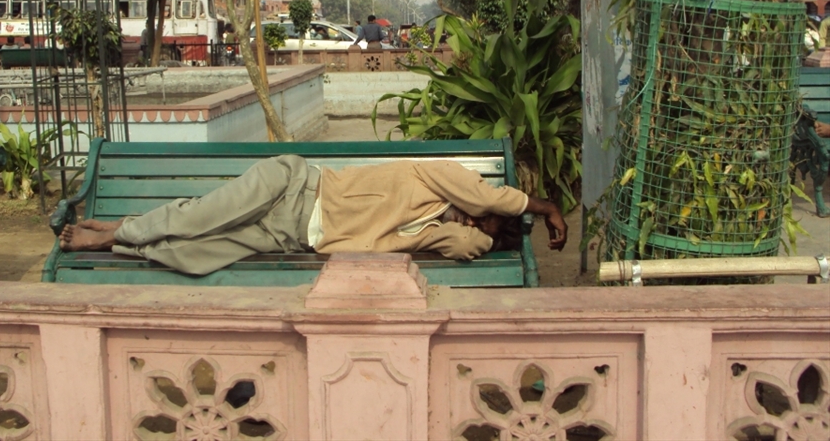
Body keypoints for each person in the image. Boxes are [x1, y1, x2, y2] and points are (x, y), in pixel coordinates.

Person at [59, 155, 567, 276]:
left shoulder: (437, 233)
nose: (475, 222)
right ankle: (109, 234)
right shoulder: (440, 177)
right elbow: (485, 196)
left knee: (195, 255)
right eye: (482, 215)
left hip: (293, 237)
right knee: (198, 218)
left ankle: (120, 237)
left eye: (486, 227)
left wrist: (480, 233)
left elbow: (463, 245)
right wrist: (546, 208)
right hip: (291, 186)